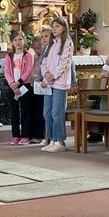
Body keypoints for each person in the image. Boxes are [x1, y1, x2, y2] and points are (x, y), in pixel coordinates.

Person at [40, 16, 74, 152]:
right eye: (53, 27)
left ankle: (59, 141)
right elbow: (43, 62)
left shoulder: (67, 43)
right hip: (49, 83)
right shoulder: (51, 44)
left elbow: (64, 63)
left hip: (60, 83)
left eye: (57, 26)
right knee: (47, 113)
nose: (54, 29)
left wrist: (52, 76)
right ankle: (52, 139)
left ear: (64, 28)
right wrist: (46, 74)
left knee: (56, 113)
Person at [4, 31, 34, 144]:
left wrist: (19, 82)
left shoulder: (28, 55)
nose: (18, 42)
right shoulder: (9, 56)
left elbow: (29, 70)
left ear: (24, 41)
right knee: (14, 112)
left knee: (25, 111)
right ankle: (15, 135)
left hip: (24, 86)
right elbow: (7, 72)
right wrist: (12, 84)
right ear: (12, 42)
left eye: (20, 39)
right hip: (12, 87)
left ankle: (25, 135)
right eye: (15, 40)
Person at [30, 36, 45, 143]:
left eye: (38, 48)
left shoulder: (45, 57)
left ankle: (40, 135)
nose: (36, 50)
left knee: (40, 111)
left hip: (42, 86)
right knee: (34, 111)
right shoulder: (34, 57)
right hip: (33, 86)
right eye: (34, 48)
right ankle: (34, 134)